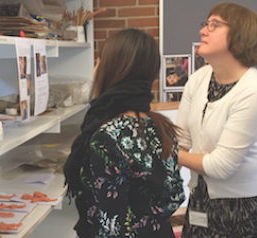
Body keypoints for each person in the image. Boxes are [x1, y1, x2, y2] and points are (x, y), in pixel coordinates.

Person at [63, 28, 185, 238]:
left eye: (100, 62)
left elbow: (111, 226)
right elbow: (173, 195)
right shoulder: (162, 126)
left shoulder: (106, 137)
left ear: (110, 70)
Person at [175, 2, 257, 237]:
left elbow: (221, 167)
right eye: (206, 24)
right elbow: (179, 138)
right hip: (201, 196)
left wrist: (170, 154)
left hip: (244, 205)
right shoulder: (199, 78)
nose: (203, 31)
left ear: (241, 36)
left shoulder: (255, 91)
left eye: (215, 25)